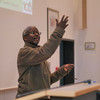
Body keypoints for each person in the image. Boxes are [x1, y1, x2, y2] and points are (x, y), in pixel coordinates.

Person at [16, 15, 74, 97]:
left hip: (42, 96)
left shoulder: (40, 55)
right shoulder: (24, 52)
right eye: (33, 33)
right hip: (28, 97)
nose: (36, 34)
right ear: (25, 38)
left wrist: (61, 71)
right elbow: (46, 51)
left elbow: (48, 80)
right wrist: (59, 31)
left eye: (38, 33)